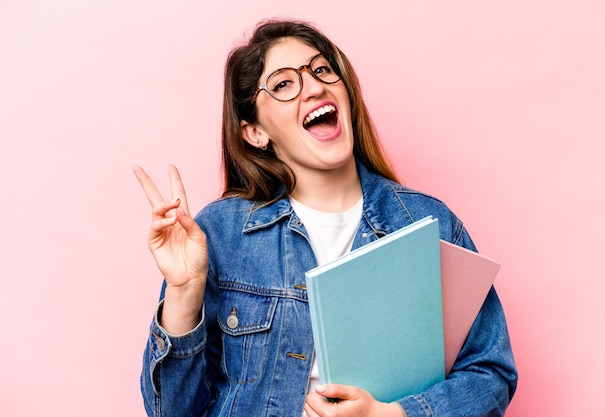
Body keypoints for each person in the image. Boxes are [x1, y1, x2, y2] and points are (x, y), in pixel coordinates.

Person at [134, 19, 517, 417]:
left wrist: (395, 415)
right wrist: (183, 293)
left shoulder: (427, 221)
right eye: (283, 84)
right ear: (255, 133)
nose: (315, 86)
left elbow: (491, 373)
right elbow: (171, 411)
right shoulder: (221, 233)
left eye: (322, 69)